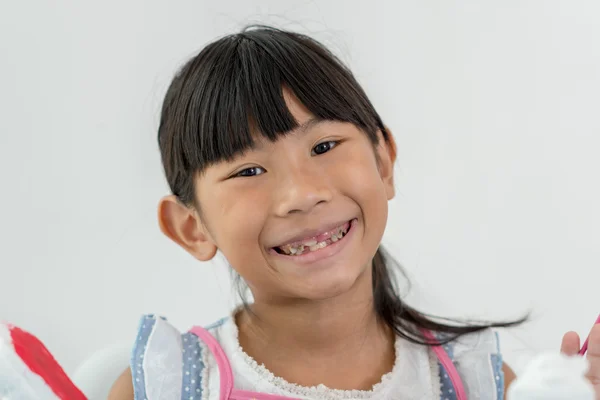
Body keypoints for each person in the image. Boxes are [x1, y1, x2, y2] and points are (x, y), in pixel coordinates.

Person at [109, 26, 600, 399]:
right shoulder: (165, 383)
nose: (302, 193)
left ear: (383, 161)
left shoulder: (474, 381)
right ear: (191, 227)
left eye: (324, 145)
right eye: (248, 171)